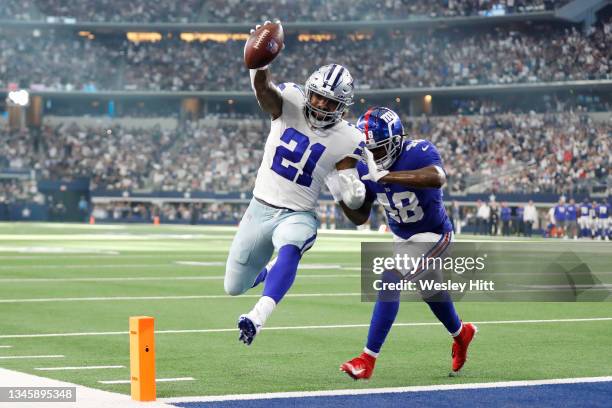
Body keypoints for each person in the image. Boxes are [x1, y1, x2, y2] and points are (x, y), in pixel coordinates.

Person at [225, 20, 365, 345]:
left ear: (342, 106)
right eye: (318, 97)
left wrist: (351, 188)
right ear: (309, 91)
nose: (320, 105)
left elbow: (349, 190)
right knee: (233, 286)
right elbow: (264, 91)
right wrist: (262, 63)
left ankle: (257, 317)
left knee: (291, 244)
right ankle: (269, 270)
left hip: (298, 213)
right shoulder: (289, 101)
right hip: (259, 207)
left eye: (330, 102)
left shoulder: (348, 138)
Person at [327, 107, 476, 379]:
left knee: (390, 278)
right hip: (403, 238)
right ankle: (461, 333)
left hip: (434, 234)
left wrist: (387, 177)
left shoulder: (418, 151)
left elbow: (437, 177)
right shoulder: (365, 164)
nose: (375, 156)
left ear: (396, 141)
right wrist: (339, 194)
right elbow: (361, 217)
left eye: (380, 149)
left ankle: (367, 359)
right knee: (430, 291)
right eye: (370, 150)